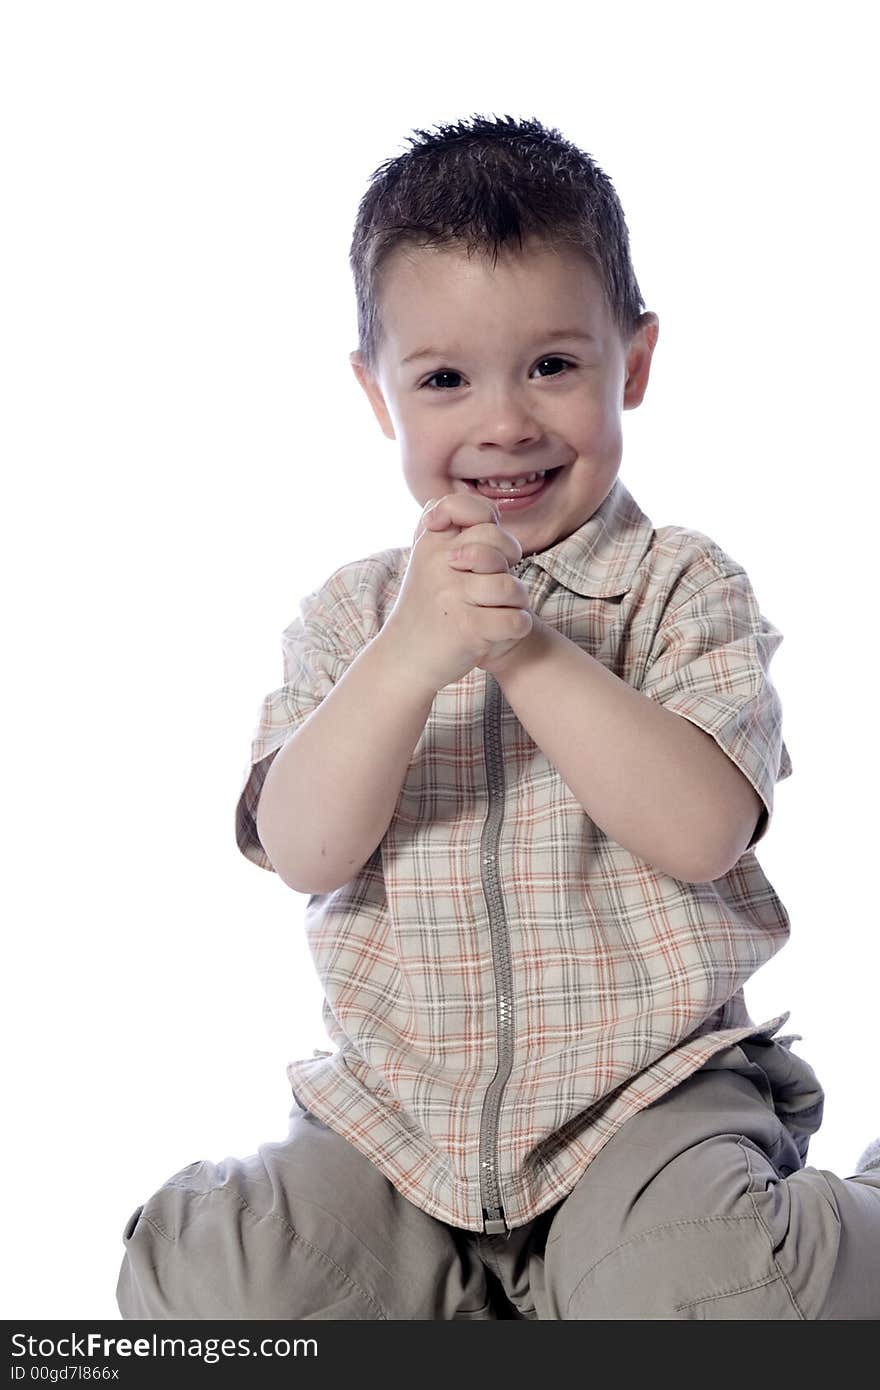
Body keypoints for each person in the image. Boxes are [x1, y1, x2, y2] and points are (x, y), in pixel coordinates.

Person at [115, 113, 880, 1320]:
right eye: (444, 380)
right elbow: (305, 848)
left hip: (646, 1102)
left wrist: (520, 642)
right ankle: (489, 1293)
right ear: (378, 395)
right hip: (401, 1124)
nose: (505, 422)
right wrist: (412, 653)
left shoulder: (681, 584)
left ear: (632, 362)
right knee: (212, 1280)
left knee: (709, 1293)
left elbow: (700, 832)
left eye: (553, 366)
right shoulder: (353, 614)